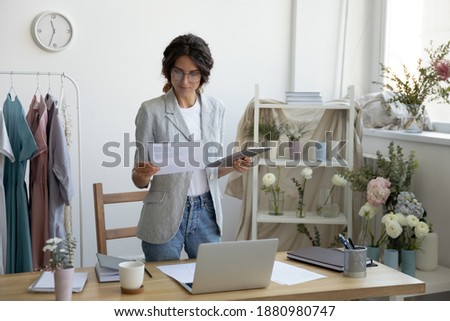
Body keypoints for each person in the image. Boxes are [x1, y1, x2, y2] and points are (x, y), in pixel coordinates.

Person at [132, 34, 251, 262]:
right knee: (164, 289)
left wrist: (232, 165)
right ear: (168, 71)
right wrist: (142, 174)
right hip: (164, 214)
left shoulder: (217, 109)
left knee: (211, 284)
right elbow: (138, 180)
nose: (185, 81)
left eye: (193, 74)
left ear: (203, 74)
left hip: (207, 211)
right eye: (178, 72)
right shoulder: (151, 111)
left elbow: (211, 170)